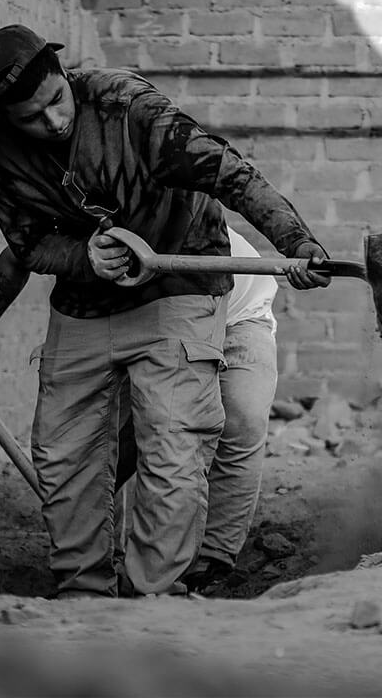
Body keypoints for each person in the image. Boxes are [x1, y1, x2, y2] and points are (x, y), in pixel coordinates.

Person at [0, 24, 329, 598]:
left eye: (55, 102)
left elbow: (229, 173)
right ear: (0, 115)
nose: (52, 123)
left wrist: (296, 242)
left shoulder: (128, 109)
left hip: (181, 283)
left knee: (177, 439)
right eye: (30, 118)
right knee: (63, 451)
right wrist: (79, 258)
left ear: (62, 75)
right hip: (87, 301)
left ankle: (163, 591)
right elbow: (25, 245)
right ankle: (83, 591)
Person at [114, 226, 280, 596]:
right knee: (133, 429)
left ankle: (211, 564)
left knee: (243, 420)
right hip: (157, 322)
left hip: (241, 318)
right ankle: (103, 555)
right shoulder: (111, 245)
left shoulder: (189, 223)